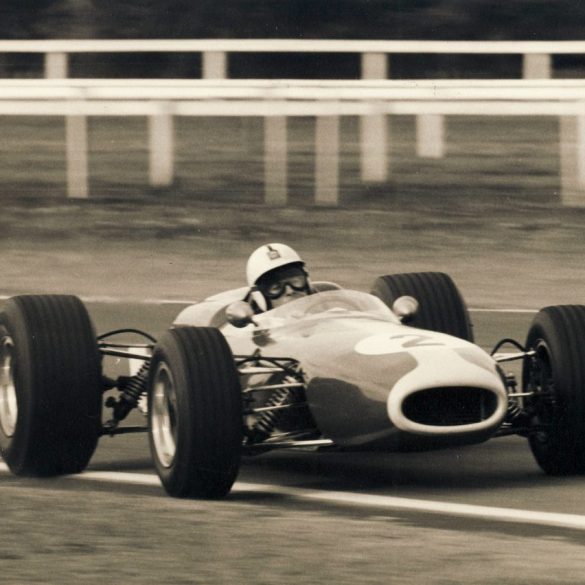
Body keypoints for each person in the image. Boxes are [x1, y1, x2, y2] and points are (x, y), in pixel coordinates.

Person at [246, 243, 311, 311]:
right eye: (276, 287)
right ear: (261, 296)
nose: (290, 291)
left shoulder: (322, 309)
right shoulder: (254, 319)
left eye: (295, 281)